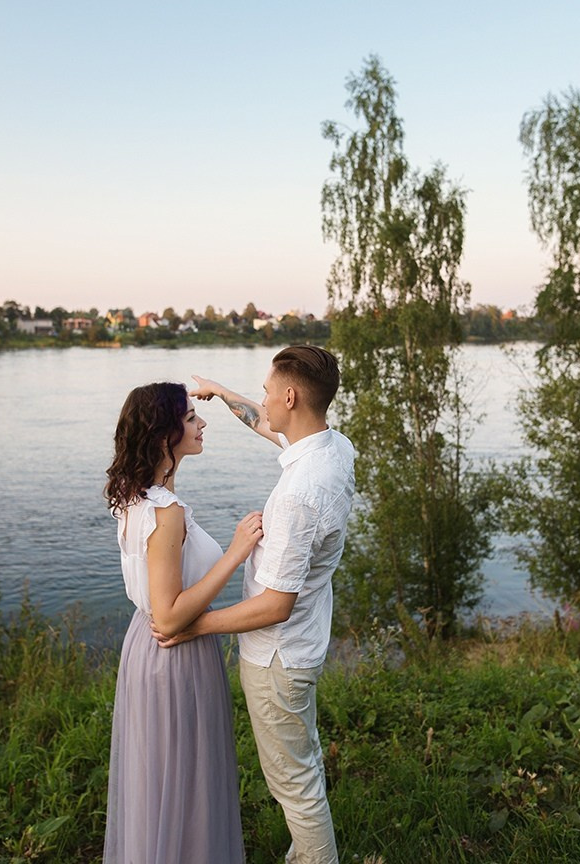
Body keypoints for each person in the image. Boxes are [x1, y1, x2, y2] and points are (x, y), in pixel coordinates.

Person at [153, 346, 356, 864]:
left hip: (276, 657)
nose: (264, 399)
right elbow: (269, 425)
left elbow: (274, 606)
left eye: (268, 390)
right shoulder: (332, 448)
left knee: (293, 783)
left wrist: (194, 625)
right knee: (302, 764)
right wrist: (221, 395)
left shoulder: (296, 496)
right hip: (303, 646)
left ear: (290, 395)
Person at [102, 381, 264, 864]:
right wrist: (235, 554)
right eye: (191, 417)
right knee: (185, 779)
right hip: (175, 654)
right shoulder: (165, 511)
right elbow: (170, 614)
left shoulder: (135, 497)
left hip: (143, 648)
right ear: (163, 434)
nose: (201, 423)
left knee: (159, 778)